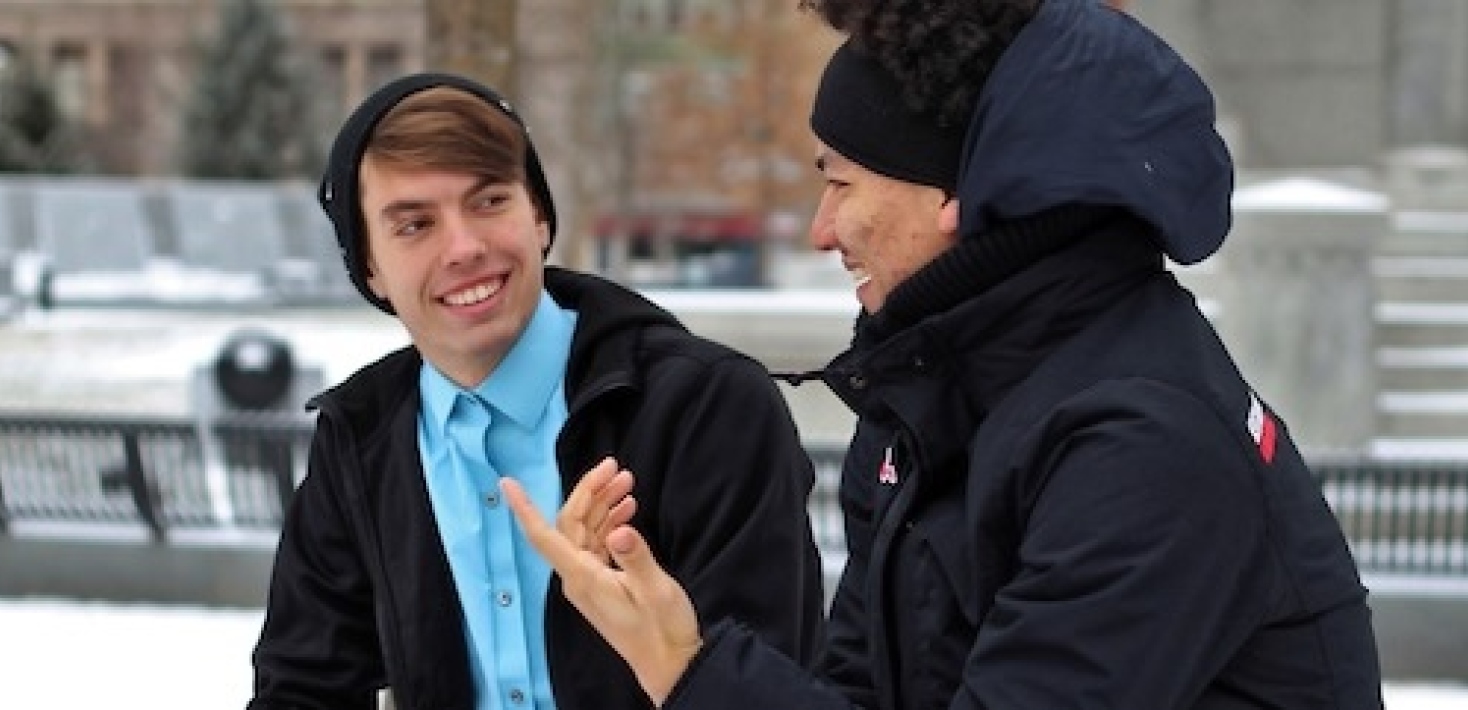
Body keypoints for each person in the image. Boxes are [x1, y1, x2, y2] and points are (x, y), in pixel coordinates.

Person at [503, 0, 1386, 708]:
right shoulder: (932, 400)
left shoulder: (1145, 445)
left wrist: (691, 671)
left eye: (841, 183)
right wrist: (672, 645)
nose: (821, 230)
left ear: (960, 196)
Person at [246, 71, 826, 710]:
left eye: (489, 201)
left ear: (541, 217)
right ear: (371, 268)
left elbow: (770, 684)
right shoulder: (360, 440)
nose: (464, 247)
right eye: (414, 225)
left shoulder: (705, 410)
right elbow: (302, 689)